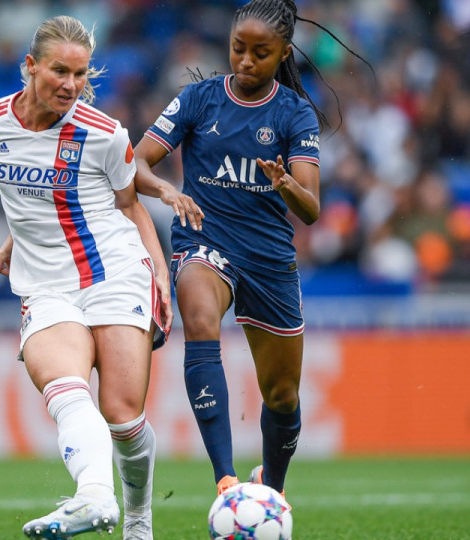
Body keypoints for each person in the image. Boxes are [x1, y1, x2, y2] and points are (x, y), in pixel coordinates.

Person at [134, 0, 364, 499]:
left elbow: (311, 208)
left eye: (260, 52)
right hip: (205, 238)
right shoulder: (199, 99)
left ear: (283, 52)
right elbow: (138, 163)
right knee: (198, 318)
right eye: (239, 48)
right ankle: (226, 480)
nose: (245, 61)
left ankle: (270, 492)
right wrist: (168, 192)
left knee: (282, 395)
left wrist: (285, 184)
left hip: (267, 256)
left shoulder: (294, 113)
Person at [0, 16, 172, 540]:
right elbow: (28, 195)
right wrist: (17, 238)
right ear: (30, 67)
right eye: (60, 70)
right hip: (45, 284)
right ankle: (93, 499)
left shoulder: (104, 134)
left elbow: (129, 207)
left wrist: (161, 277)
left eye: (80, 74)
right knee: (65, 387)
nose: (70, 85)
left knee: (123, 416)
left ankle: (138, 519)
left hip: (116, 272)